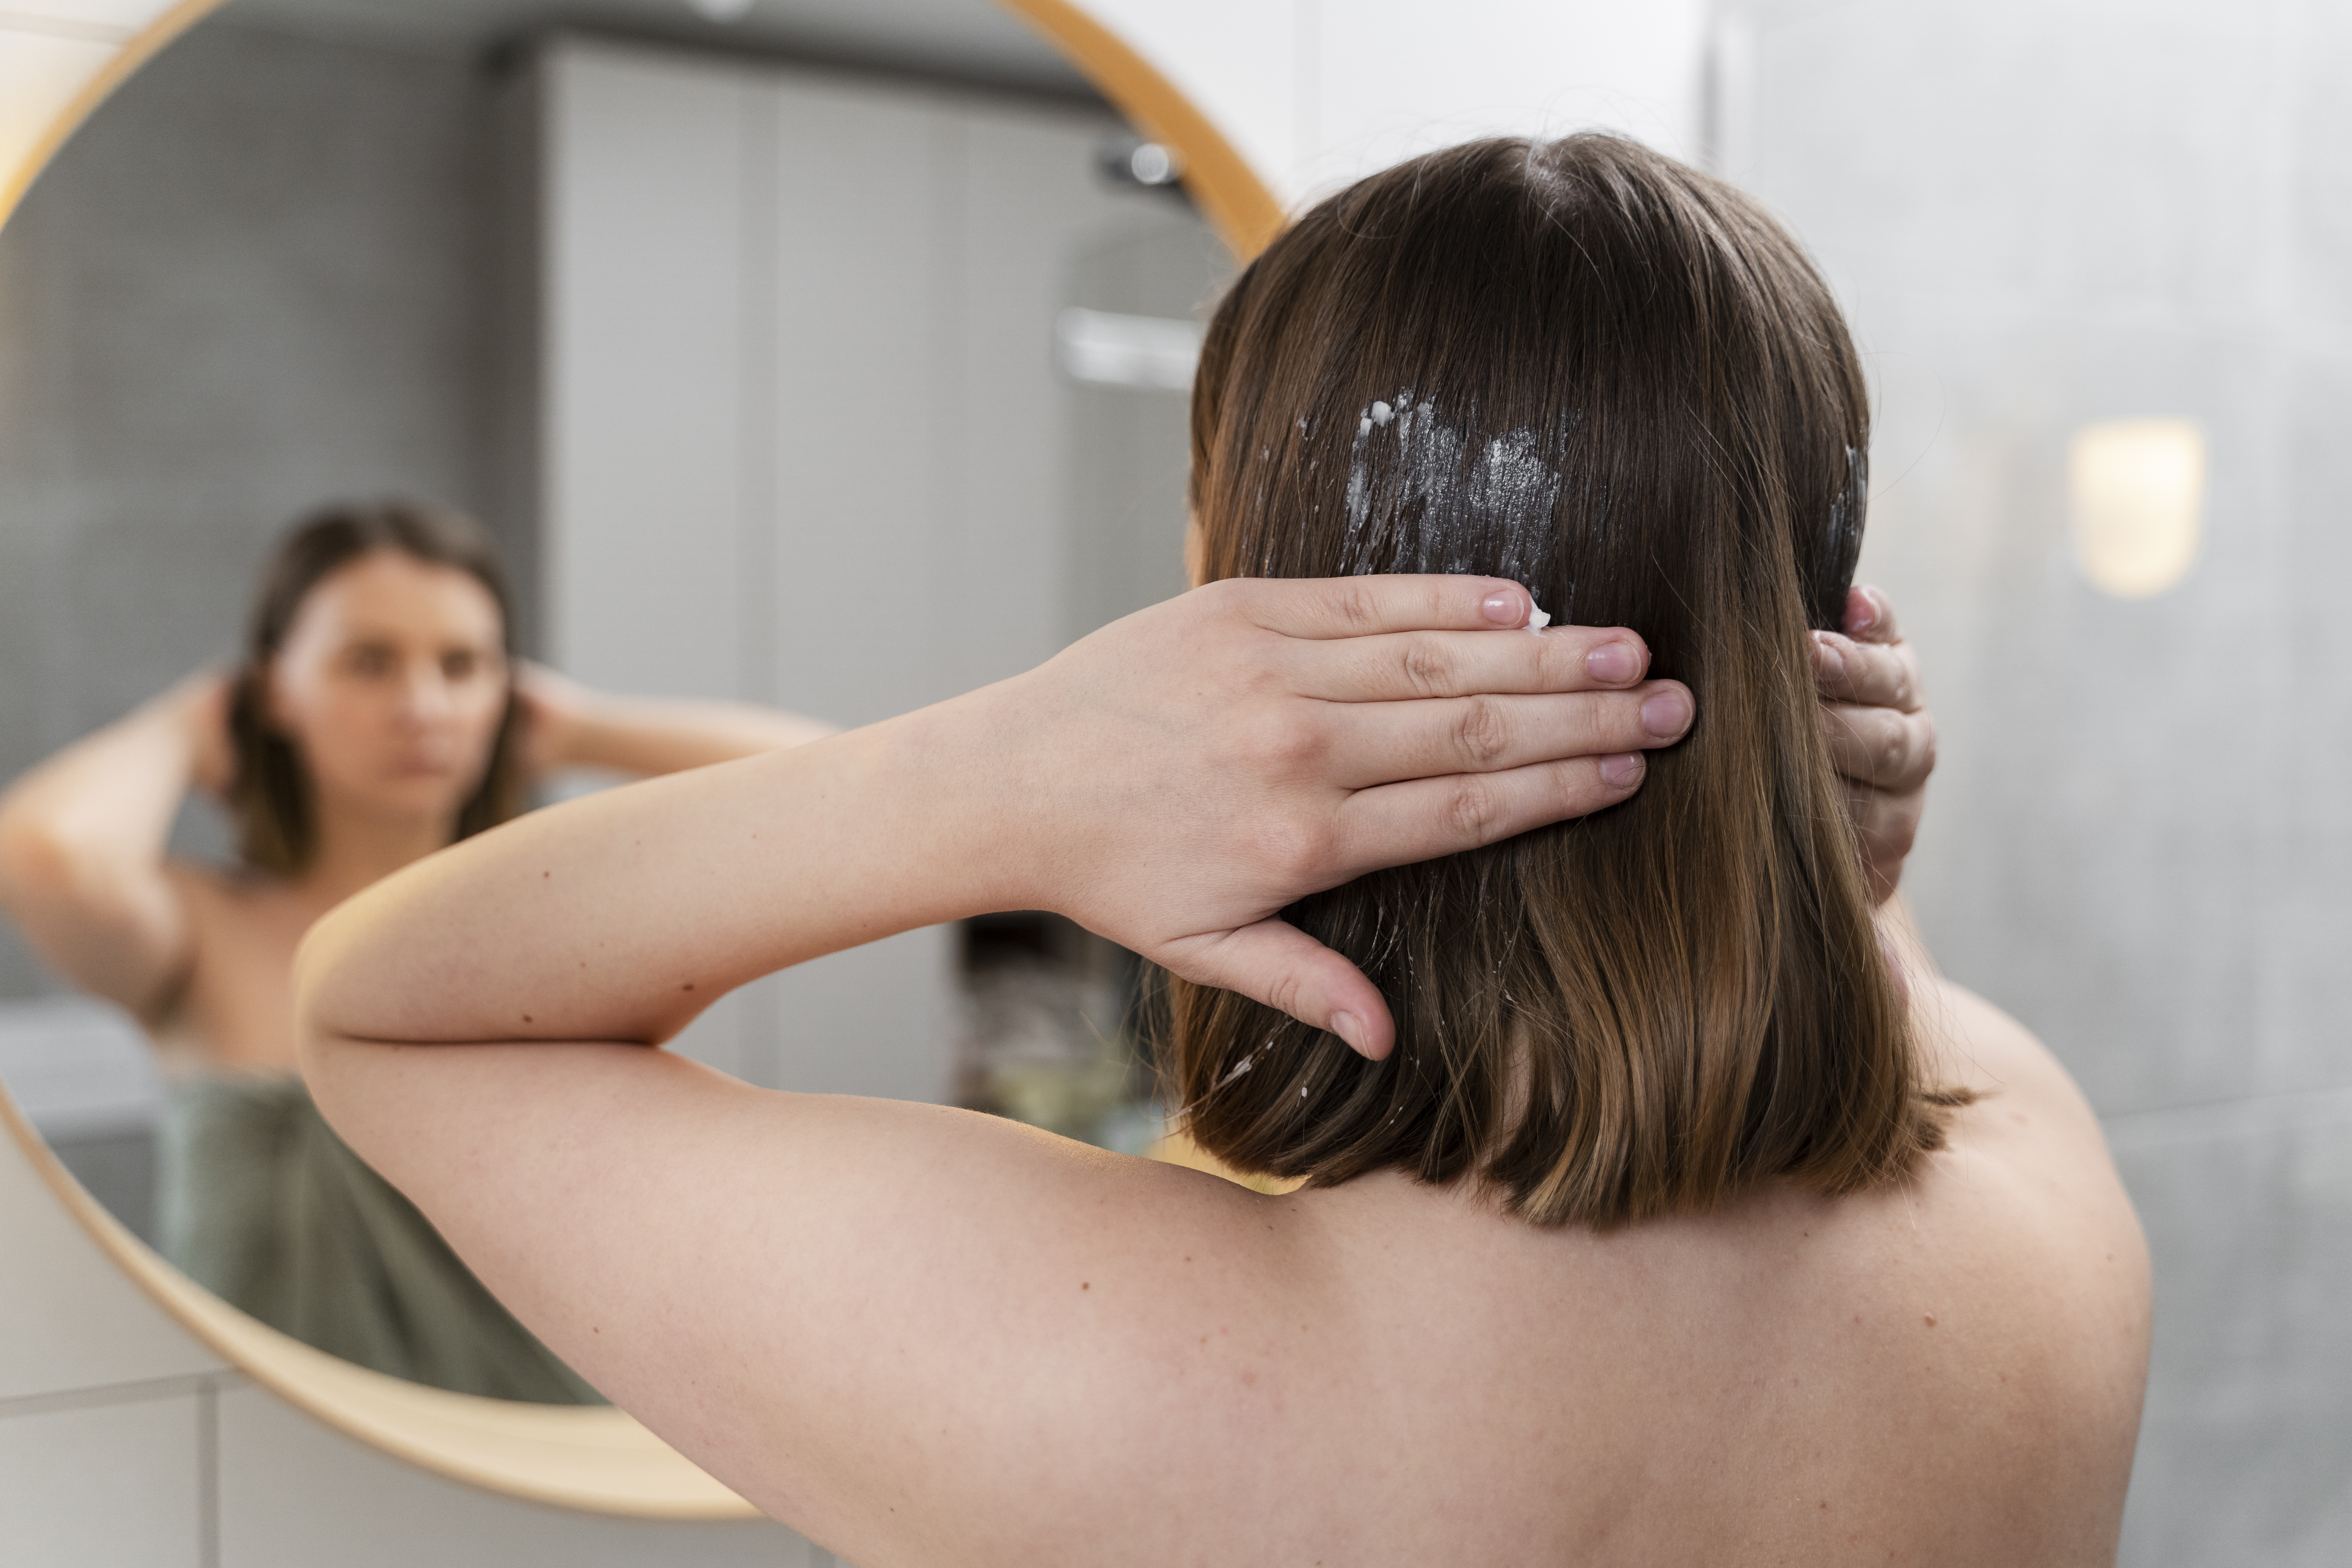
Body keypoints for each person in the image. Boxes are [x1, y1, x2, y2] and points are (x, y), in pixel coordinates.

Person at [293, 137, 2144, 1563]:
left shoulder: (1140, 1372)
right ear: (1804, 618)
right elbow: (1845, 988)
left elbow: (392, 1015)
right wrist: (1825, 852)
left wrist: (1005, 766)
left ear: (1240, 586)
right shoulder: (2040, 1203)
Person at [0, 500, 833, 1401]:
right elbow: (46, 856)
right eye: (370, 661)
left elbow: (837, 802)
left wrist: (586, 728)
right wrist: (190, 722)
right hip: (279, 1495)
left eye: (463, 664)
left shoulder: (558, 922)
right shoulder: (204, 935)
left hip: (569, 1473)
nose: (424, 705)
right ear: (276, 689)